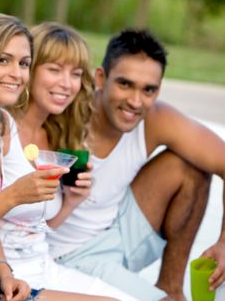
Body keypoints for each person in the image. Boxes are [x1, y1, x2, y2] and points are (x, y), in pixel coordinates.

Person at [0, 13, 119, 301]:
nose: (16, 73)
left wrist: (4, 271)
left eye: (24, 63)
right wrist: (13, 196)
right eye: (4, 60)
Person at [47, 28, 225, 301]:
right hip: (71, 255)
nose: (135, 101)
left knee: (191, 166)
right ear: (100, 78)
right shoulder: (64, 114)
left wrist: (224, 243)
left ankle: (172, 289)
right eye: (125, 84)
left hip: (119, 229)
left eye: (148, 90)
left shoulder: (156, 117)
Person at [1, 22, 136, 301]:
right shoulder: (1, 129)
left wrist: (72, 200)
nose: (67, 83)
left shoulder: (55, 135)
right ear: (29, 68)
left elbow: (37, 226)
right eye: (54, 69)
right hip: (6, 277)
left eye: (75, 74)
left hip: (42, 266)